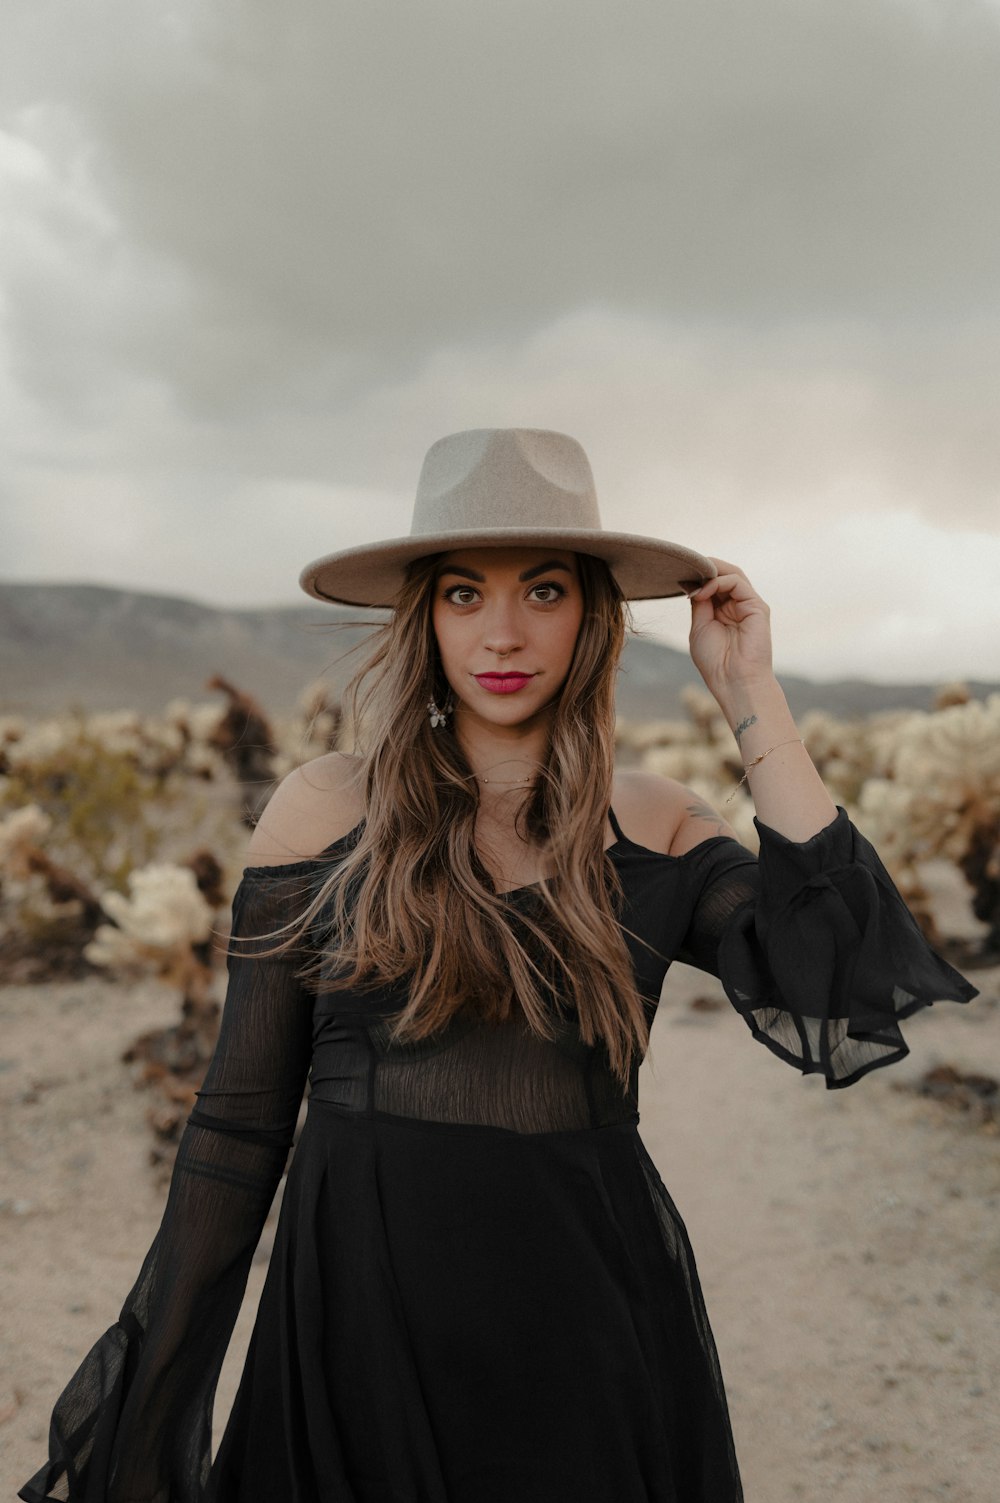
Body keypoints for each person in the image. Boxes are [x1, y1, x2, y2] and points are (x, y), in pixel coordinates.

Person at [20, 428, 977, 1503]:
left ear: (594, 615)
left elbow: (839, 993)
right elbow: (238, 1129)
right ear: (423, 616)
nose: (504, 632)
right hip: (354, 1337)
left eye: (547, 592)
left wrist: (751, 699)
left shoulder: (654, 824)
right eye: (466, 595)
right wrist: (148, 1409)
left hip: (588, 1339)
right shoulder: (327, 811)